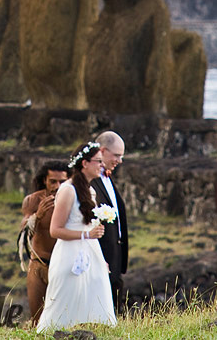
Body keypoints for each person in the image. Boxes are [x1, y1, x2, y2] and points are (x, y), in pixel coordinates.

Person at [37, 142, 116, 332]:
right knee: (63, 302)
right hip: (69, 252)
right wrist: (87, 234)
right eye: (98, 161)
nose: (102, 165)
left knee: (98, 294)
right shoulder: (68, 190)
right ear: (85, 163)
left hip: (90, 251)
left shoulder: (90, 190)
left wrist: (99, 254)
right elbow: (55, 230)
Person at [20, 161, 70, 324]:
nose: (57, 186)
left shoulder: (74, 200)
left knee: (66, 319)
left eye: (62, 182)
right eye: (53, 181)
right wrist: (38, 216)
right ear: (44, 180)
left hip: (64, 266)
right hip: (39, 264)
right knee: (37, 319)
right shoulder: (33, 200)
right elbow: (24, 231)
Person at [90, 131, 129, 309]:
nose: (120, 161)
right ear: (103, 151)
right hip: (101, 254)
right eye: (117, 155)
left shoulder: (107, 177)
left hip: (116, 254)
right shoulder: (89, 182)